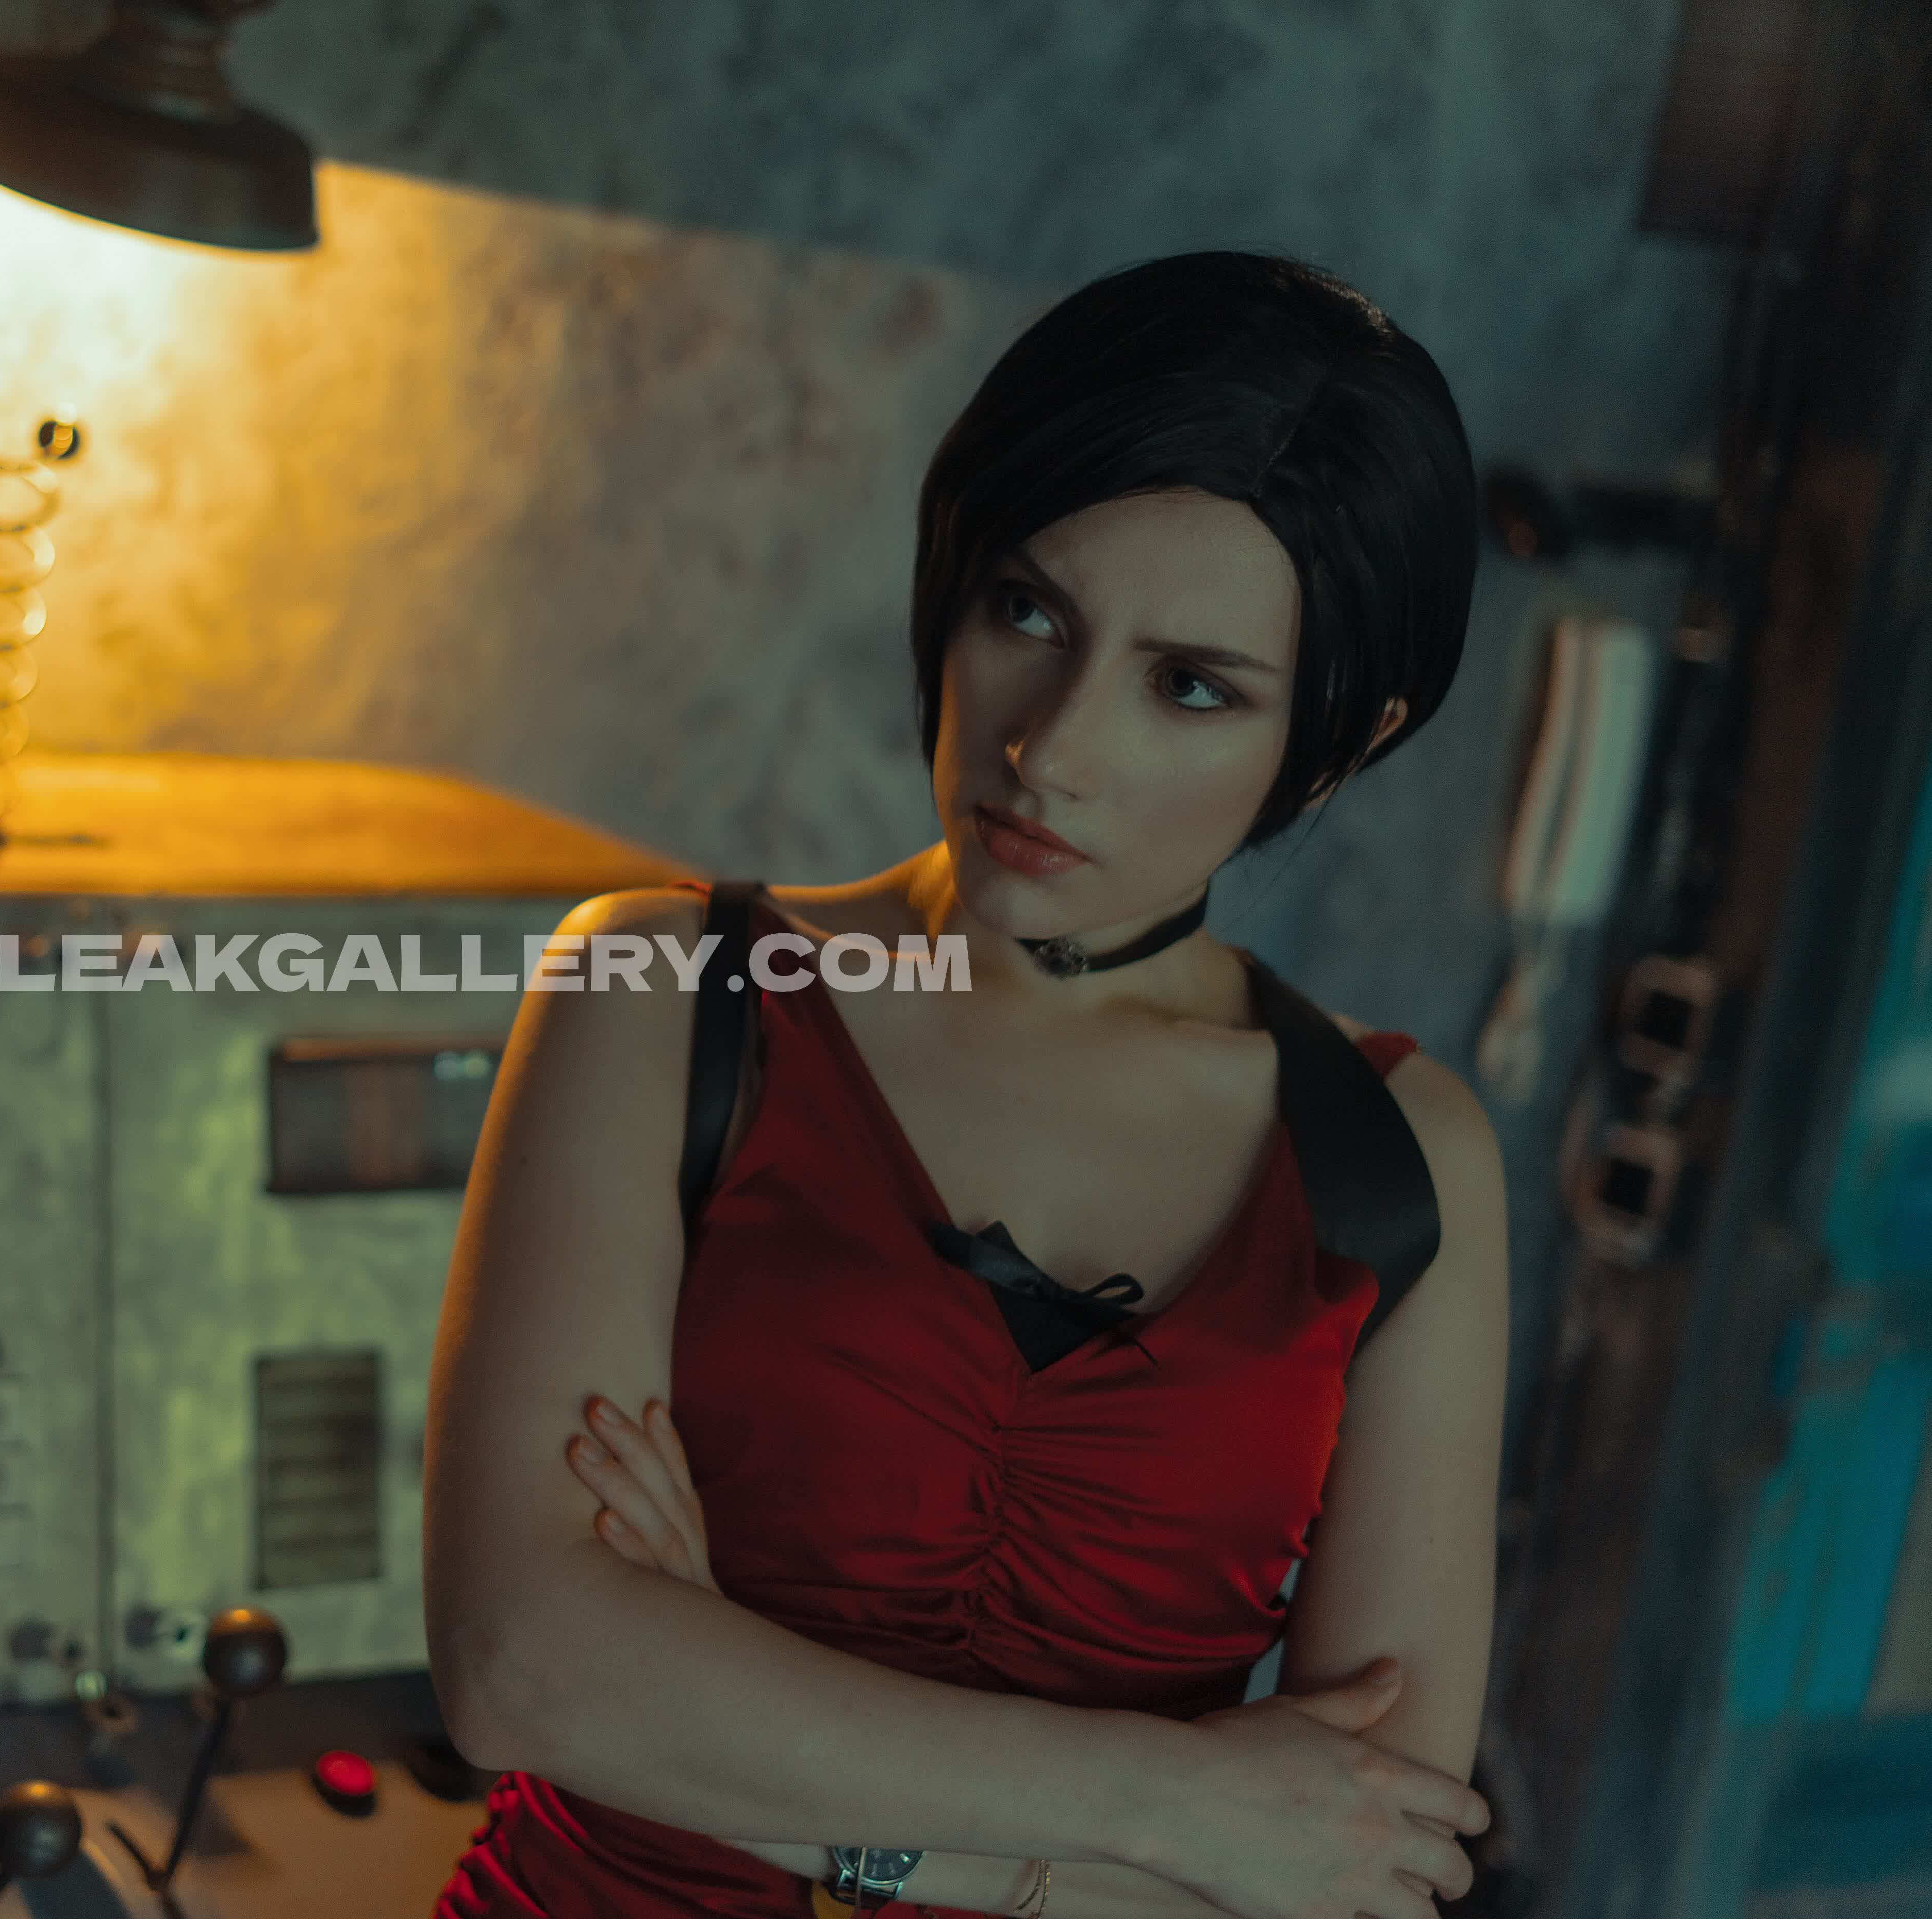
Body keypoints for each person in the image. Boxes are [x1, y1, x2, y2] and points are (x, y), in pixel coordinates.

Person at [424, 253, 1509, 1919]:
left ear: (1344, 739)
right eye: (1030, 612)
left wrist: (723, 1733)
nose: (1051, 748)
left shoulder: (1399, 1160)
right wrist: (1182, 1803)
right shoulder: (664, 988)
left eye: (1191, 686)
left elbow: (1366, 1871)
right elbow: (522, 1670)